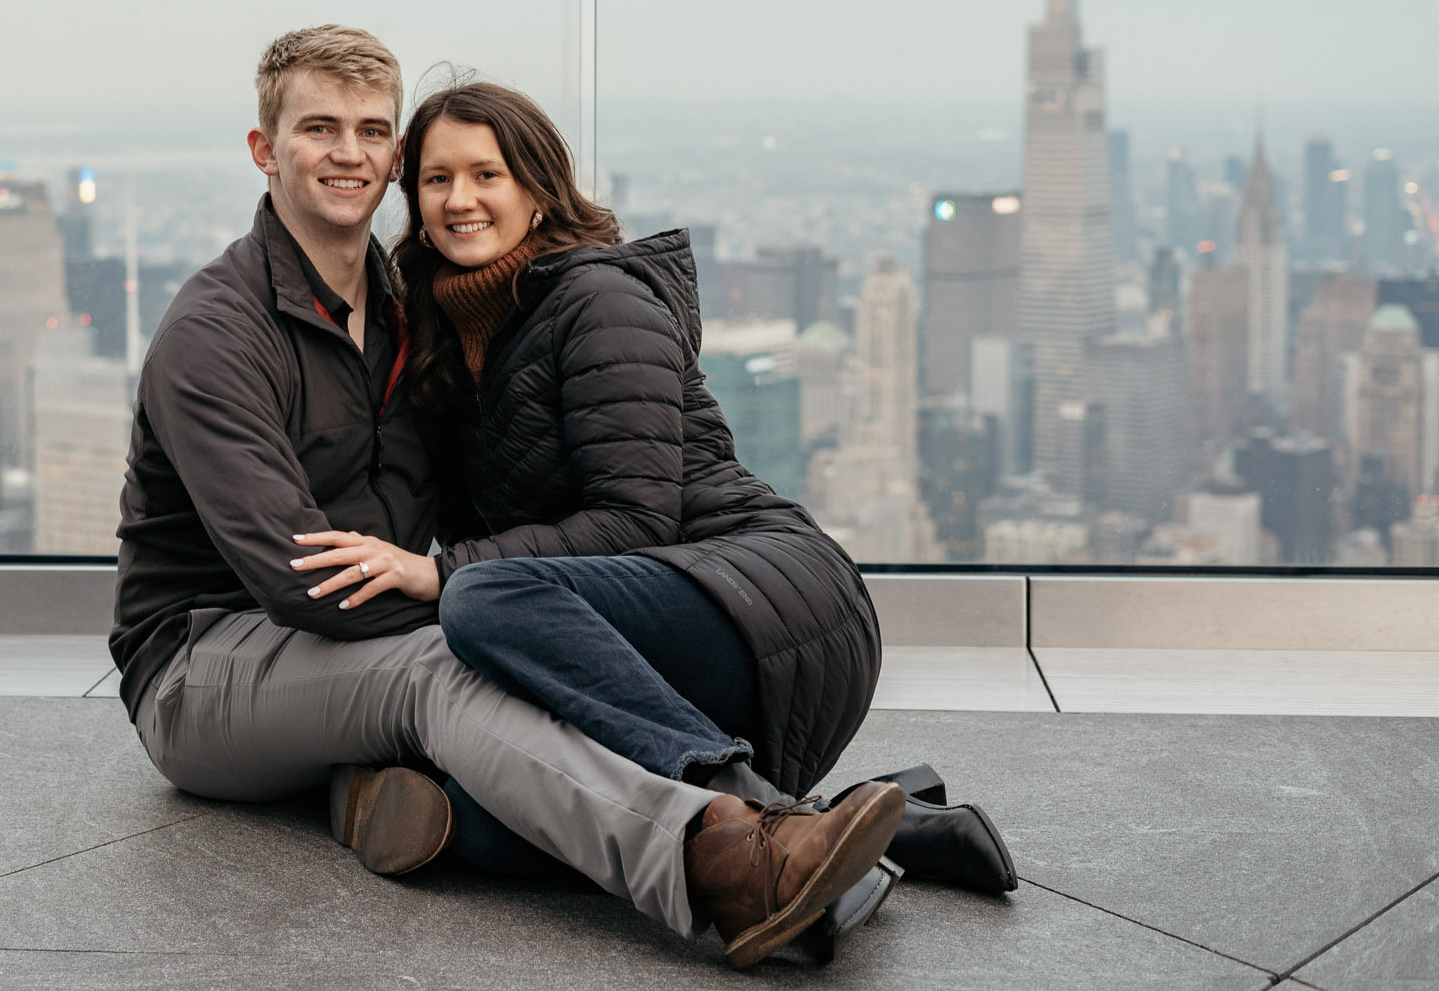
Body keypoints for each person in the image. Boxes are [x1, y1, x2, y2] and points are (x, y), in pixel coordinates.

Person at [112, 27, 903, 969]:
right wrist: (476, 613)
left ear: (392, 161)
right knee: (449, 668)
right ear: (264, 149)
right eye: (318, 128)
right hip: (204, 661)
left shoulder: (414, 317)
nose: (348, 152)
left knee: (483, 801)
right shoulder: (216, 333)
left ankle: (376, 790)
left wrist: (486, 606)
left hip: (361, 652)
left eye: (372, 131)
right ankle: (729, 859)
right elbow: (300, 582)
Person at [291, 79, 1011, 951]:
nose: (459, 199)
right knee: (495, 811)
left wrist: (442, 572)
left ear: (538, 189)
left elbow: (635, 522)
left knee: (478, 599)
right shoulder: (442, 339)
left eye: (487, 174)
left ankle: (767, 823)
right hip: (631, 642)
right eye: (437, 180)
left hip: (764, 601)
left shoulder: (597, 297)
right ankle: (855, 826)